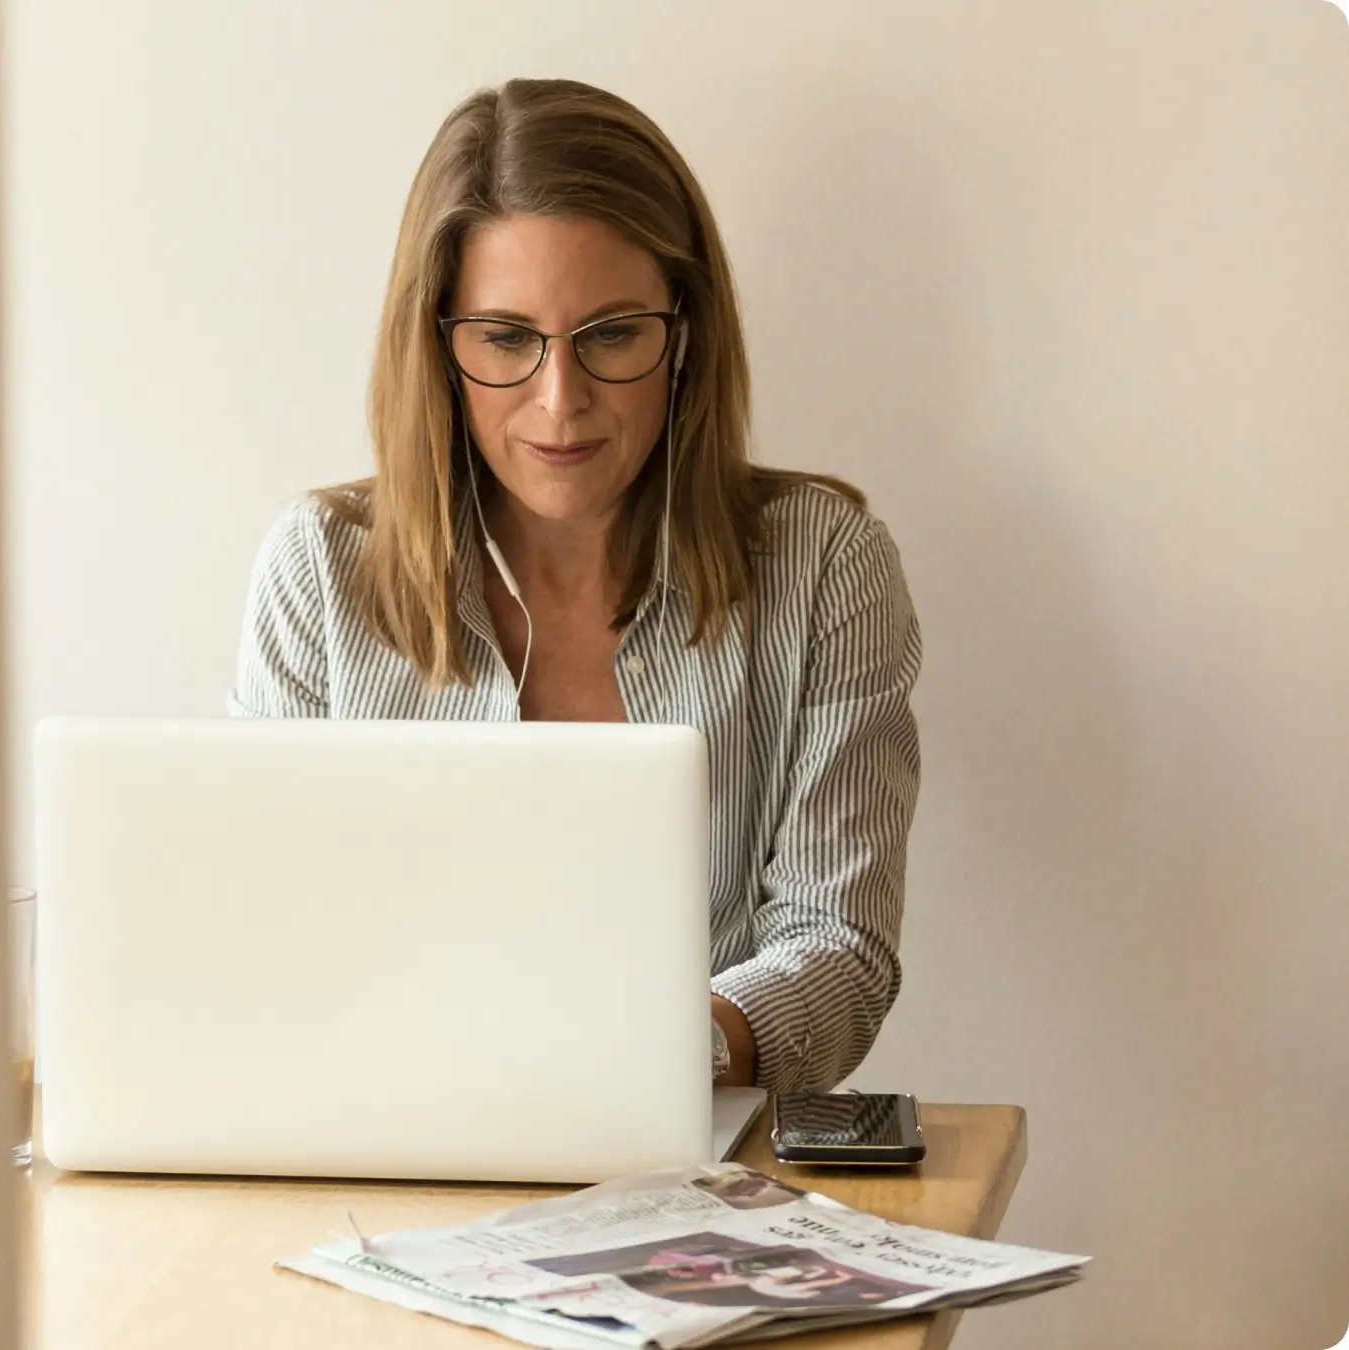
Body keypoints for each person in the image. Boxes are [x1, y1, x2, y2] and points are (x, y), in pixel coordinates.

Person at [229, 77, 922, 1093]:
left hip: (702, 1166)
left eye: (611, 335)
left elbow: (841, 948)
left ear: (682, 332)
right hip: (383, 1150)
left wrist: (654, 1057)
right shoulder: (318, 570)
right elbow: (264, 941)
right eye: (506, 339)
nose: (562, 403)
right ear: (439, 345)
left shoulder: (824, 565)